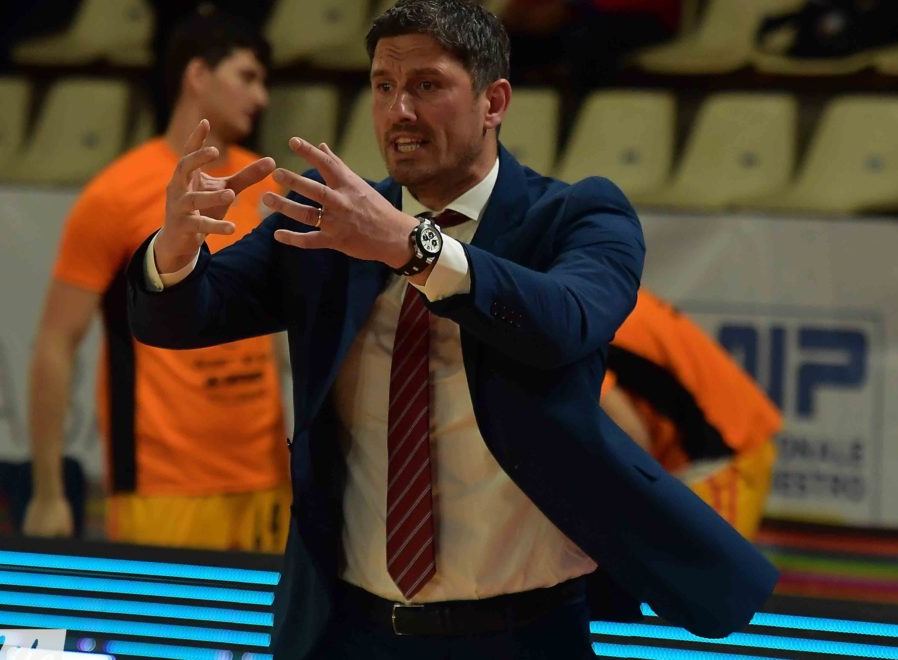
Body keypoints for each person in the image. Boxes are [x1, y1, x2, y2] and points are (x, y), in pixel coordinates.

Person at [128, 1, 777, 658]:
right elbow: (184, 318)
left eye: (426, 85)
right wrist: (175, 249)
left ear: (494, 102)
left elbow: (565, 323)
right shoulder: (330, 220)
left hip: (525, 633)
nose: (399, 110)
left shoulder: (576, 215)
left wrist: (415, 247)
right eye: (383, 86)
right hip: (346, 629)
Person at [22, 5, 291, 552]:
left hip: (266, 477)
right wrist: (48, 492)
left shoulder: (264, 186)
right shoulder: (116, 194)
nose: (261, 97)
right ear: (198, 75)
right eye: (247, 77)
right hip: (162, 484)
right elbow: (56, 341)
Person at [600, 288, 782, 540]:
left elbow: (630, 440)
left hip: (719, 457)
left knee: (704, 567)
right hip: (714, 442)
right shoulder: (605, 293)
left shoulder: (574, 337)